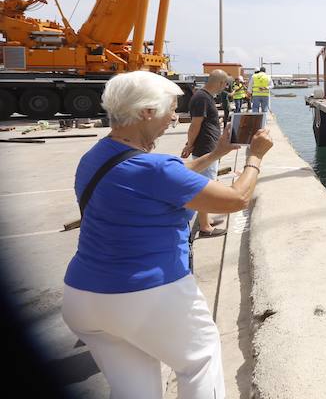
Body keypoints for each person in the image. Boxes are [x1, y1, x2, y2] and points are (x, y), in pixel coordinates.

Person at [62, 70, 273, 399]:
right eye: (171, 108)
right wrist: (255, 157)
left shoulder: (96, 157)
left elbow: (172, 176)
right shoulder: (156, 169)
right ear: (147, 112)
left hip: (83, 297)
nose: (175, 117)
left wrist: (216, 152)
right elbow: (236, 199)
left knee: (134, 390)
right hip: (146, 293)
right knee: (199, 361)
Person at [182, 69, 229, 236]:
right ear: (221, 83)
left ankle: (206, 219)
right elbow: (195, 124)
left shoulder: (204, 97)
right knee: (205, 186)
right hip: (205, 147)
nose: (225, 88)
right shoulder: (202, 98)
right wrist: (190, 145)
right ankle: (204, 227)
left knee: (208, 181)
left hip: (209, 146)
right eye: (225, 84)